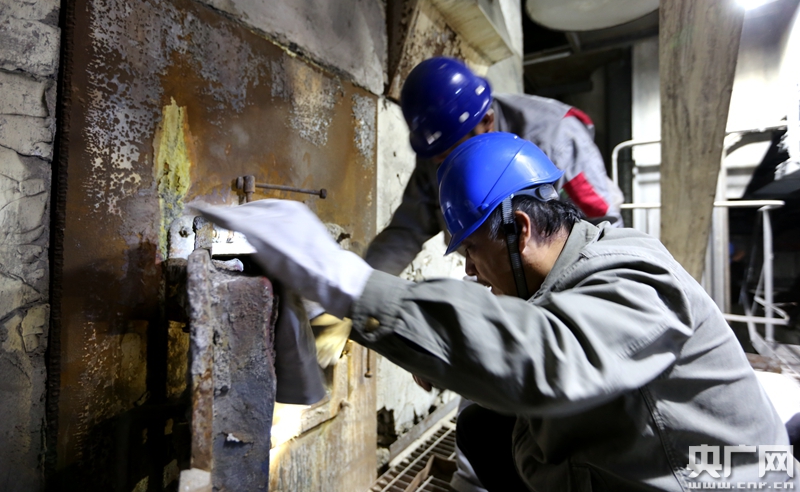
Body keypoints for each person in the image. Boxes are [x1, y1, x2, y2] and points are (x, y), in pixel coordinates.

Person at [196, 132, 796, 491]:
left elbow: (549, 357)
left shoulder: (634, 274)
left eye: (472, 253)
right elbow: (527, 336)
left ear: (520, 229)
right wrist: (450, 350)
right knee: (485, 423)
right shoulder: (574, 266)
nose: (471, 273)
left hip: (725, 481)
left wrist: (344, 280)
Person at [365, 56, 623, 276]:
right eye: (437, 156)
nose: (441, 164)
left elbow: (602, 230)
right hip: (503, 272)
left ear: (487, 122)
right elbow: (407, 230)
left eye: (451, 153)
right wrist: (363, 287)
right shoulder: (441, 148)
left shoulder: (556, 139)